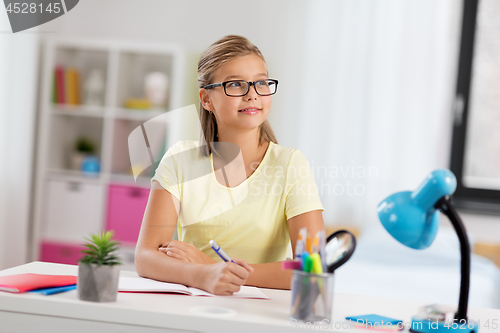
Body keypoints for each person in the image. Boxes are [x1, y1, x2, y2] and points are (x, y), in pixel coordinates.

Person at [135, 35, 325, 296]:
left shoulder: (290, 164)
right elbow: (145, 257)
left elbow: (313, 268)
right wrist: (204, 275)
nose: (252, 95)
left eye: (260, 82)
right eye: (235, 84)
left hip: (261, 311)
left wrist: (213, 267)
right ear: (206, 99)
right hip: (193, 305)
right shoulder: (179, 160)